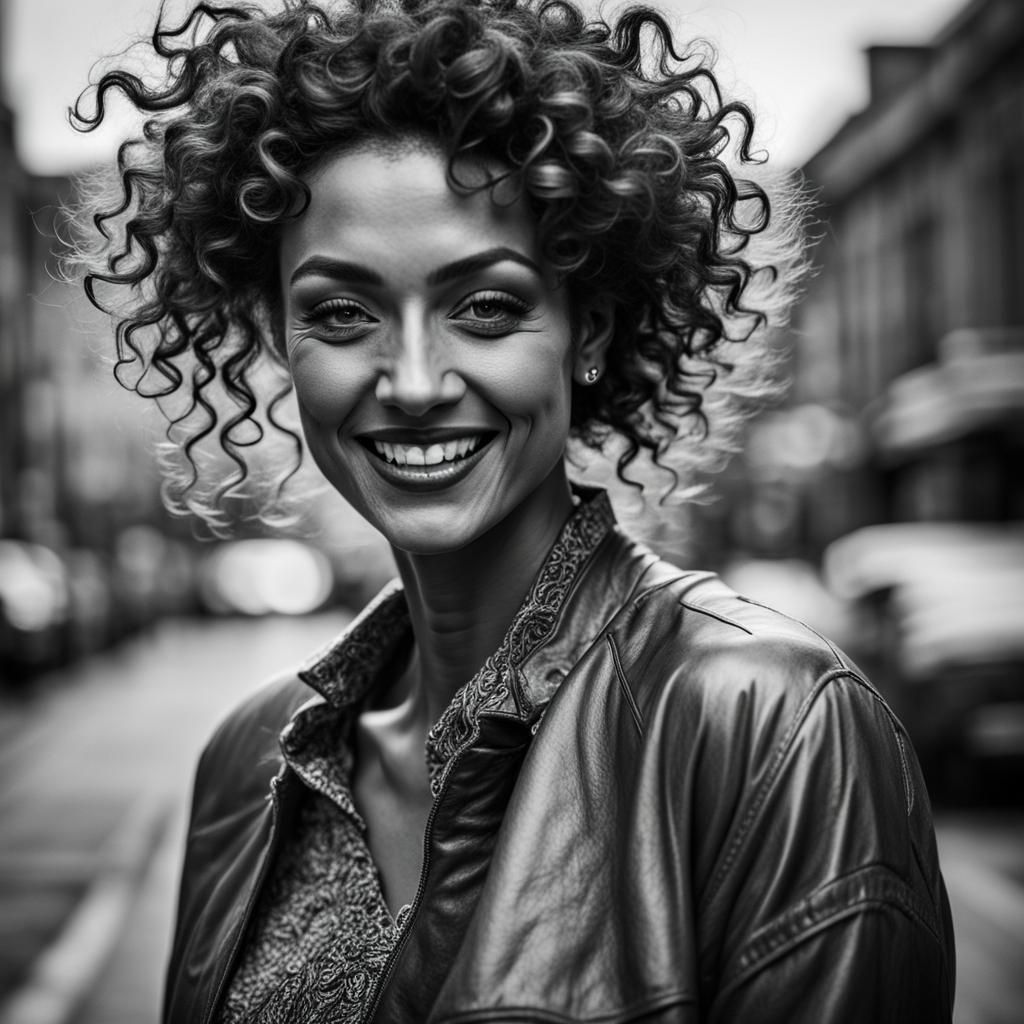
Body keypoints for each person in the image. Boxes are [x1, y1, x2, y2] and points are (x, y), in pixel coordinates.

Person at [73, 1, 956, 1020]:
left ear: (590, 327)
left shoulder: (772, 728)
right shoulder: (248, 762)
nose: (409, 380)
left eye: (485, 306)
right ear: (277, 335)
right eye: (341, 311)